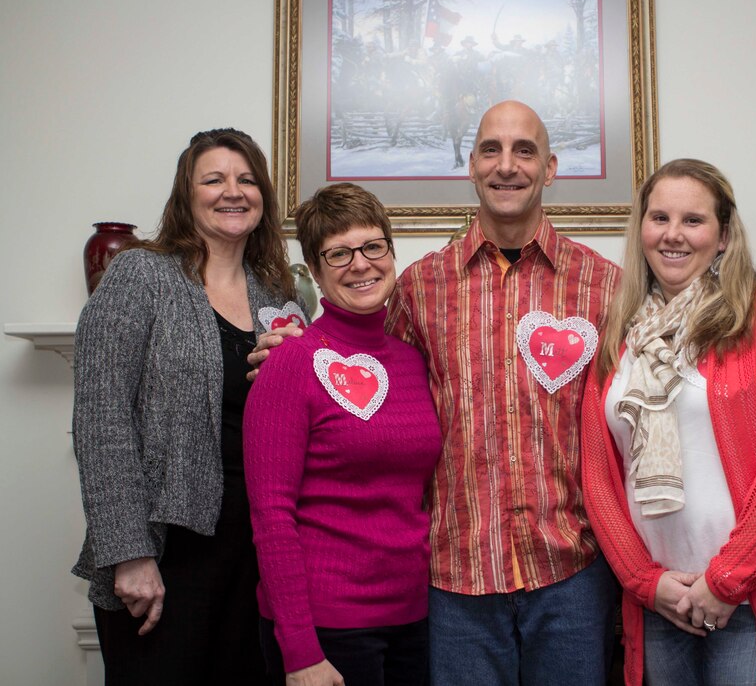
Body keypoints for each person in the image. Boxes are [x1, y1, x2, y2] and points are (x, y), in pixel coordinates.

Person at [250, 100, 623, 684]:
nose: (507, 165)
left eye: (524, 150)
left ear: (550, 168)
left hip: (571, 571)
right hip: (455, 583)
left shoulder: (605, 286)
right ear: (470, 166)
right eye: (491, 150)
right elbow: (360, 359)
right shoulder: (418, 288)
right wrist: (294, 352)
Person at [581, 159, 756, 686]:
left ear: (723, 236)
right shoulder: (621, 335)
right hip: (661, 609)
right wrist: (645, 583)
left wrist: (726, 580)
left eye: (693, 220)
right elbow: (599, 478)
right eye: (659, 218)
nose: (673, 235)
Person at [72, 128, 297, 684]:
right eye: (214, 179)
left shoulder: (277, 293)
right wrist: (129, 551)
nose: (233, 191)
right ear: (186, 193)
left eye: (246, 179)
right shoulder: (139, 275)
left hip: (254, 552)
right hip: (165, 553)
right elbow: (101, 424)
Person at [243, 183, 442, 686]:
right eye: (339, 253)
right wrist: (300, 651)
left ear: (392, 253)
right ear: (315, 269)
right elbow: (271, 516)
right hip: (327, 630)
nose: (361, 264)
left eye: (373, 246)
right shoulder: (289, 364)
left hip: (417, 620)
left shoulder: (413, 361)